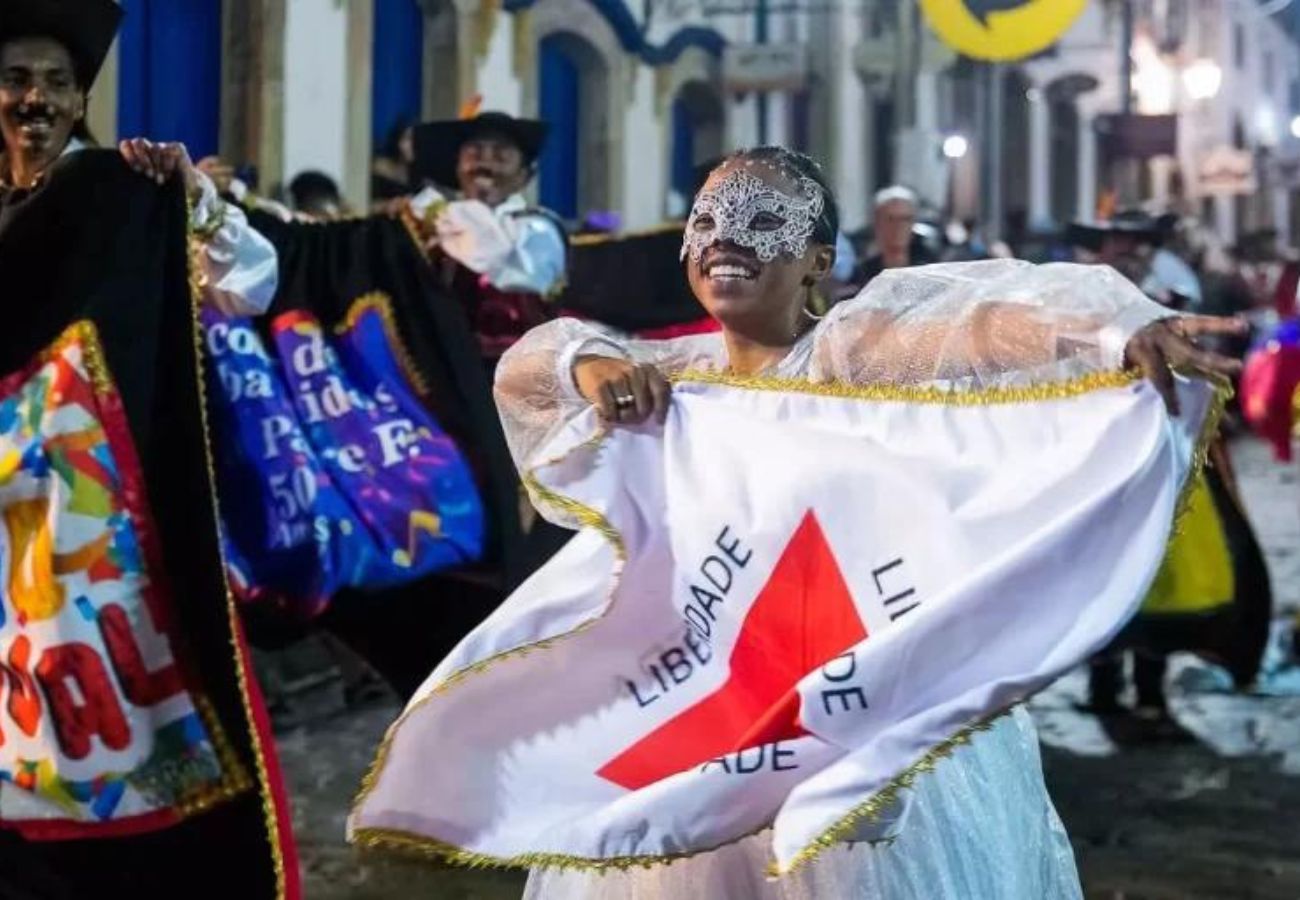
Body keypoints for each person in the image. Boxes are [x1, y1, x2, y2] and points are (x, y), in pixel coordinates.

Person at [360, 146, 1242, 898]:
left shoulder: (857, 355)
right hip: (710, 715)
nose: (726, 242)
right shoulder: (670, 378)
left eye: (761, 221)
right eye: (707, 221)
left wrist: (1116, 327)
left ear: (818, 262)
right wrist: (592, 365)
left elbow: (985, 318)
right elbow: (535, 366)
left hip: (857, 706)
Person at [405, 106, 567, 369]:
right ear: (457, 167)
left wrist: (451, 218)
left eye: (501, 156)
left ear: (524, 176)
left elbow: (522, 278)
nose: (485, 164)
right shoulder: (436, 220)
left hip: (517, 373)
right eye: (474, 153)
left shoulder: (538, 227)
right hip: (444, 366)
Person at [852, 184, 938, 288]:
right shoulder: (862, 273)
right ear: (877, 223)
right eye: (891, 219)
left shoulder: (931, 270)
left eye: (905, 219)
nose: (899, 226)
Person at [371, 118, 416, 204]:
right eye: (408, 139)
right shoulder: (379, 167)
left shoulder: (423, 175)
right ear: (397, 140)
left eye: (416, 140)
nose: (413, 145)